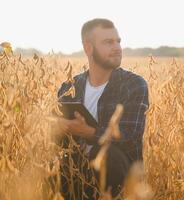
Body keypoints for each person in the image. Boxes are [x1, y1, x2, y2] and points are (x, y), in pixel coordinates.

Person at [56, 18, 149, 199]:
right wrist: (58, 127)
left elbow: (129, 135)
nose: (117, 47)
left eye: (118, 41)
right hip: (76, 169)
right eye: (108, 42)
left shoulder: (134, 85)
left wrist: (88, 131)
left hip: (120, 176)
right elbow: (58, 140)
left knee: (106, 155)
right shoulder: (69, 87)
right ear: (88, 48)